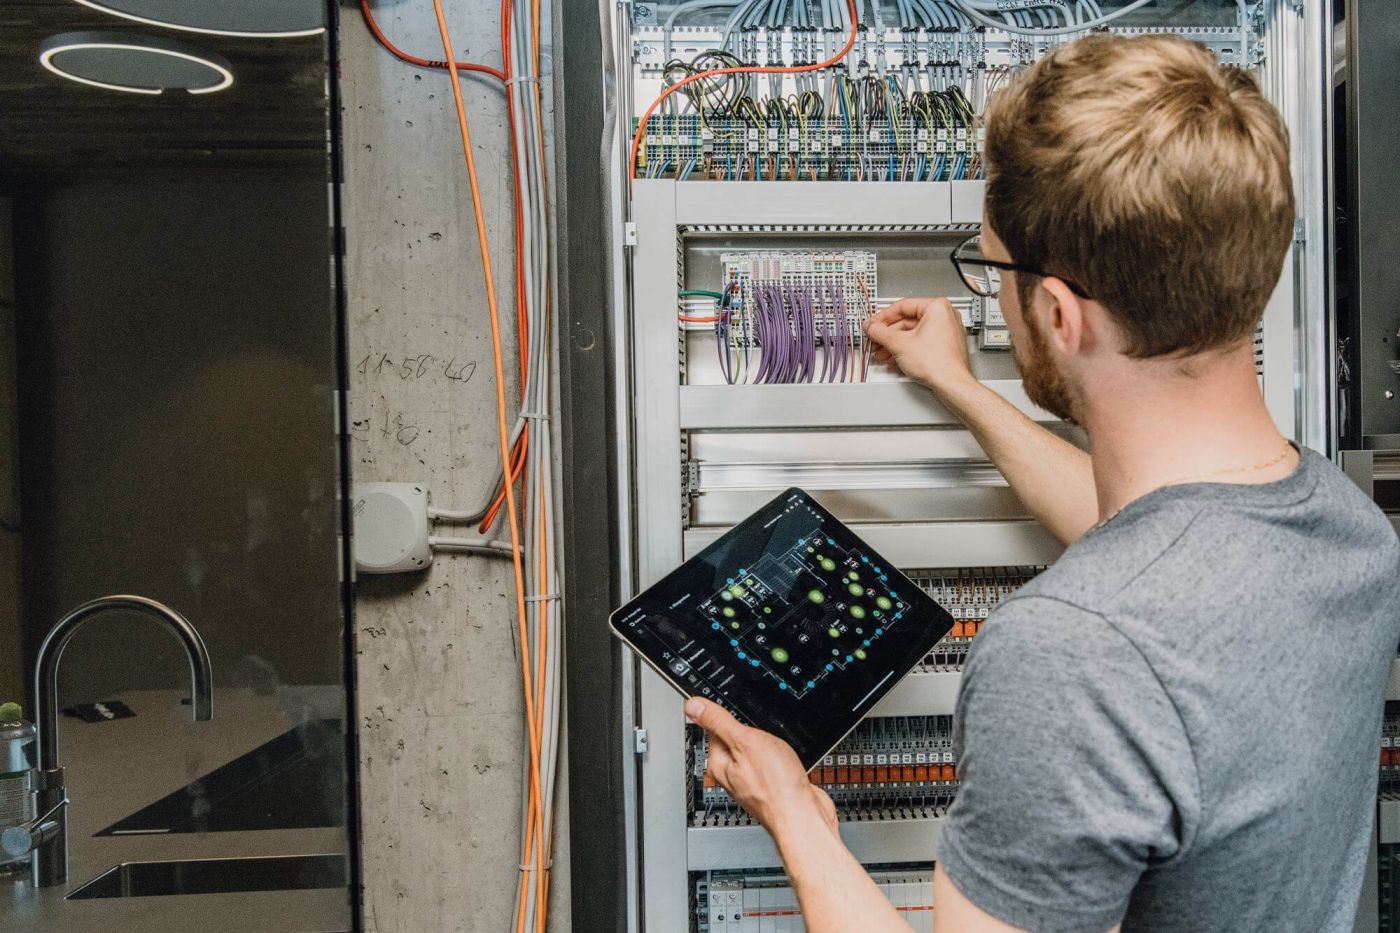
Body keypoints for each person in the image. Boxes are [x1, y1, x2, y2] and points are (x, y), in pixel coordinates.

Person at [685, 33, 1400, 932]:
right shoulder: (1347, 528)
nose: (994, 296)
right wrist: (960, 387)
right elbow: (1147, 532)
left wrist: (795, 811)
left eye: (993, 274)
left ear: (1059, 313)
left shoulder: (1071, 656)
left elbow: (1123, 601)